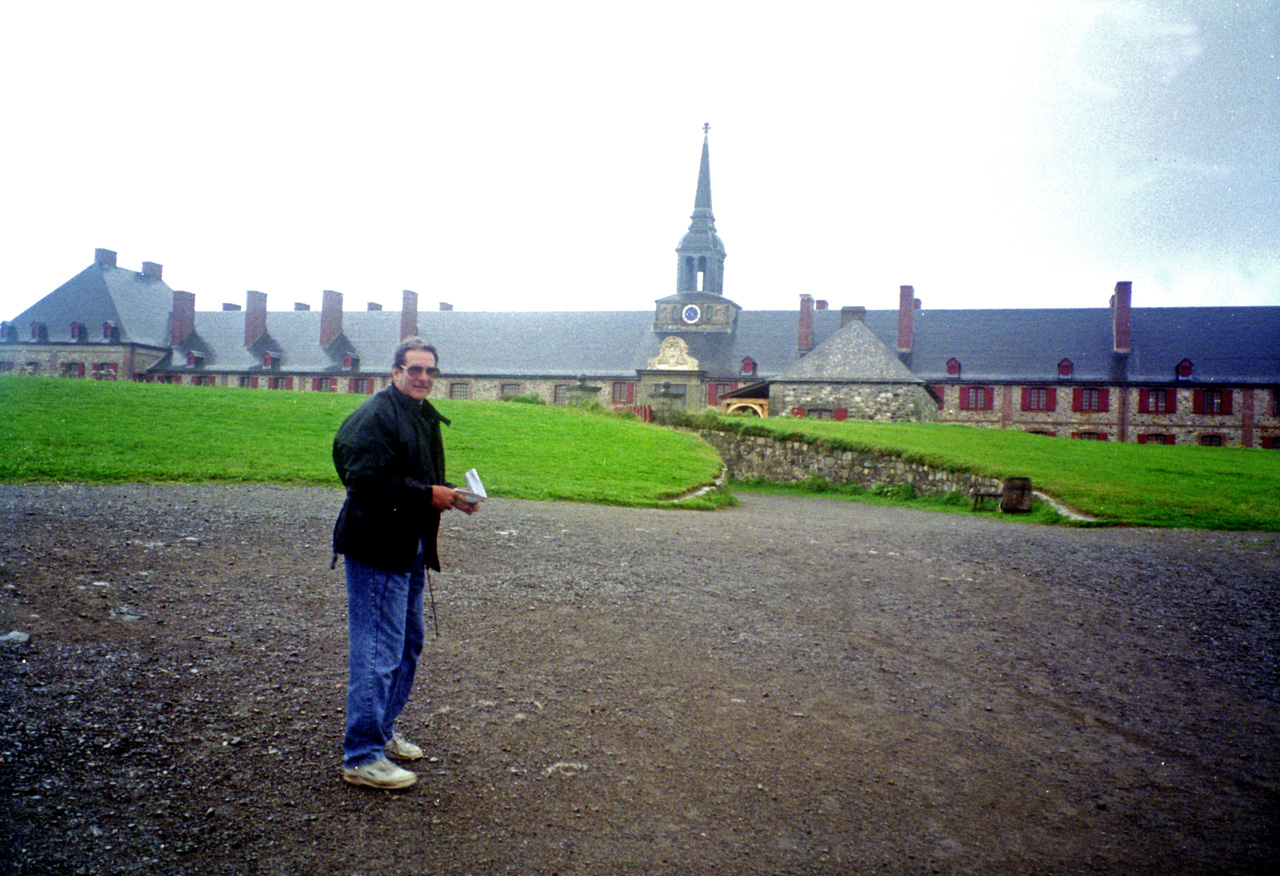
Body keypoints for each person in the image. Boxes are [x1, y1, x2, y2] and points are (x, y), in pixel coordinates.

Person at [331, 337, 476, 789]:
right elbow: (364, 481)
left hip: (409, 546)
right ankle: (361, 756)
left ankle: (382, 729)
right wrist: (425, 495)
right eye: (415, 369)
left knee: (408, 643)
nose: (423, 378)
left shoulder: (420, 415)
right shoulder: (374, 415)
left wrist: (449, 494)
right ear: (394, 371)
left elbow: (416, 477)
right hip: (376, 548)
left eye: (430, 371)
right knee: (377, 651)